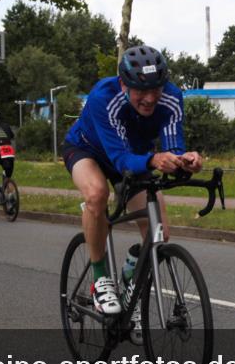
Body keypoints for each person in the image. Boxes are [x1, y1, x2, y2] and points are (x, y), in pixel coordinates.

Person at [62, 45, 202, 344]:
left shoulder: (172, 98)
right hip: (88, 151)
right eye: (141, 90)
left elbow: (173, 146)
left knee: (159, 232)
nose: (150, 98)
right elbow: (120, 159)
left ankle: (129, 279)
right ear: (124, 85)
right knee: (97, 194)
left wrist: (185, 161)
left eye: (156, 89)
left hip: (135, 157)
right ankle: (101, 278)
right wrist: (154, 160)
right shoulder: (103, 98)